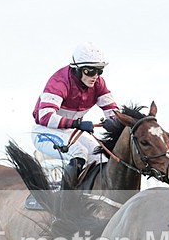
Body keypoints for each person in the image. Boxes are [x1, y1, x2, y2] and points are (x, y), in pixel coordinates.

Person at [32, 42, 119, 186]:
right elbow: (45, 116)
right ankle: (64, 201)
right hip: (45, 132)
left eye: (99, 70)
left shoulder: (98, 83)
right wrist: (77, 123)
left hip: (70, 132)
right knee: (78, 152)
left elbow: (113, 112)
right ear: (77, 70)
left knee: (101, 158)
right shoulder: (60, 81)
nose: (95, 76)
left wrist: (115, 122)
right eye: (90, 71)